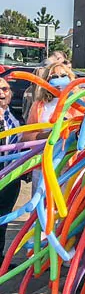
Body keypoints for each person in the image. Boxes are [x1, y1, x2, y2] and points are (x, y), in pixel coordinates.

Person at [0, 77, 22, 268]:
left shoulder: (15, 116)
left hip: (11, 178)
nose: (2, 94)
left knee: (3, 220)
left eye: (5, 89)